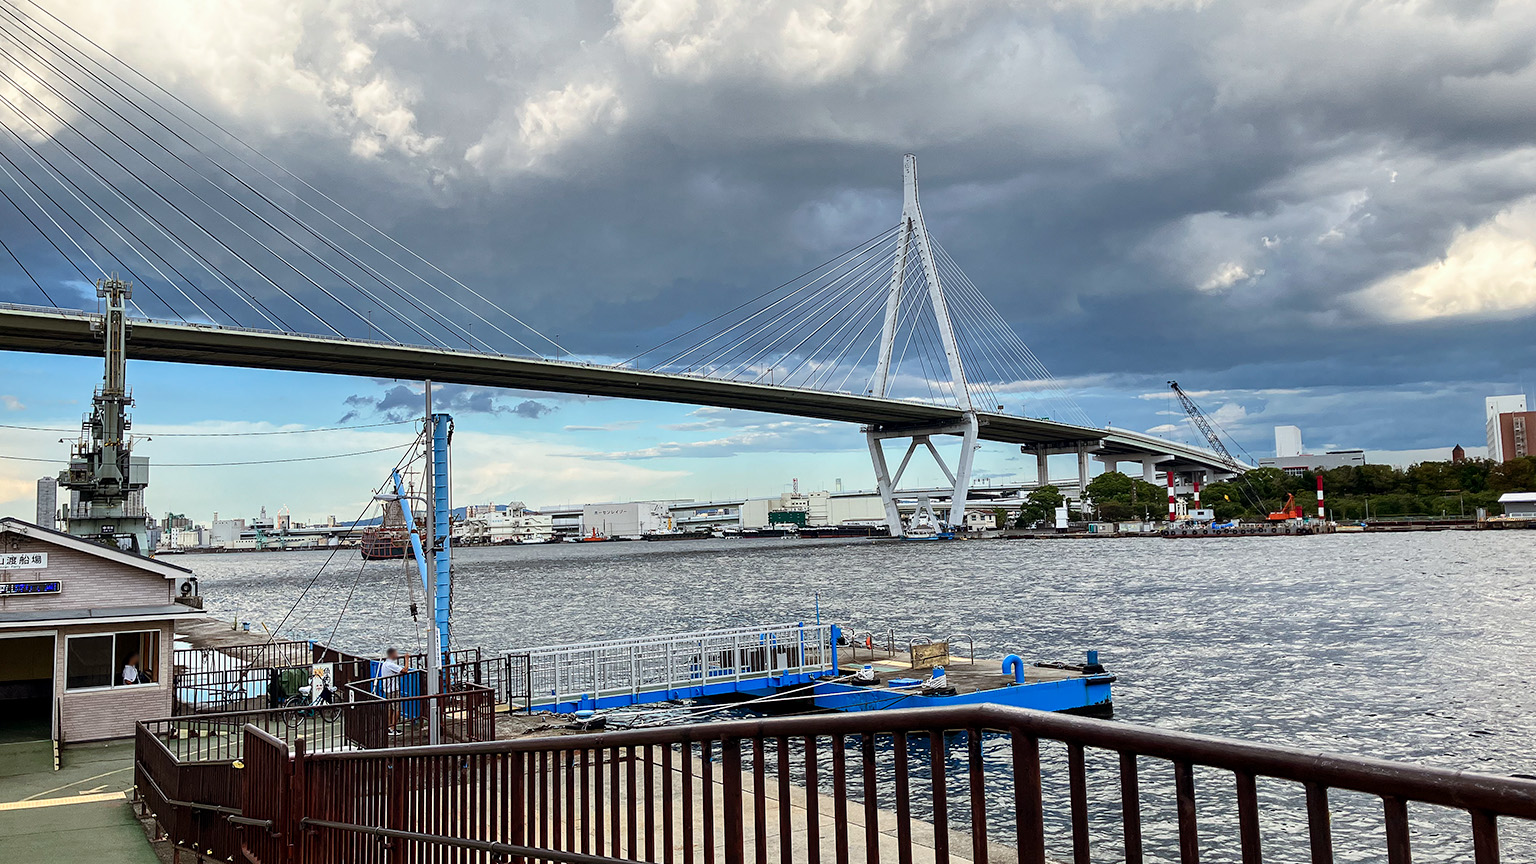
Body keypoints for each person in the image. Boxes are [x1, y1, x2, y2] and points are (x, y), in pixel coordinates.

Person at [380, 648, 407, 732]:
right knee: (397, 709)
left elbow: (399, 672)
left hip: (387, 689)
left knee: (390, 708)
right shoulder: (390, 664)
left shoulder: (385, 664)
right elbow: (405, 670)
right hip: (393, 689)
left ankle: (389, 726)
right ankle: (392, 728)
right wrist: (407, 659)